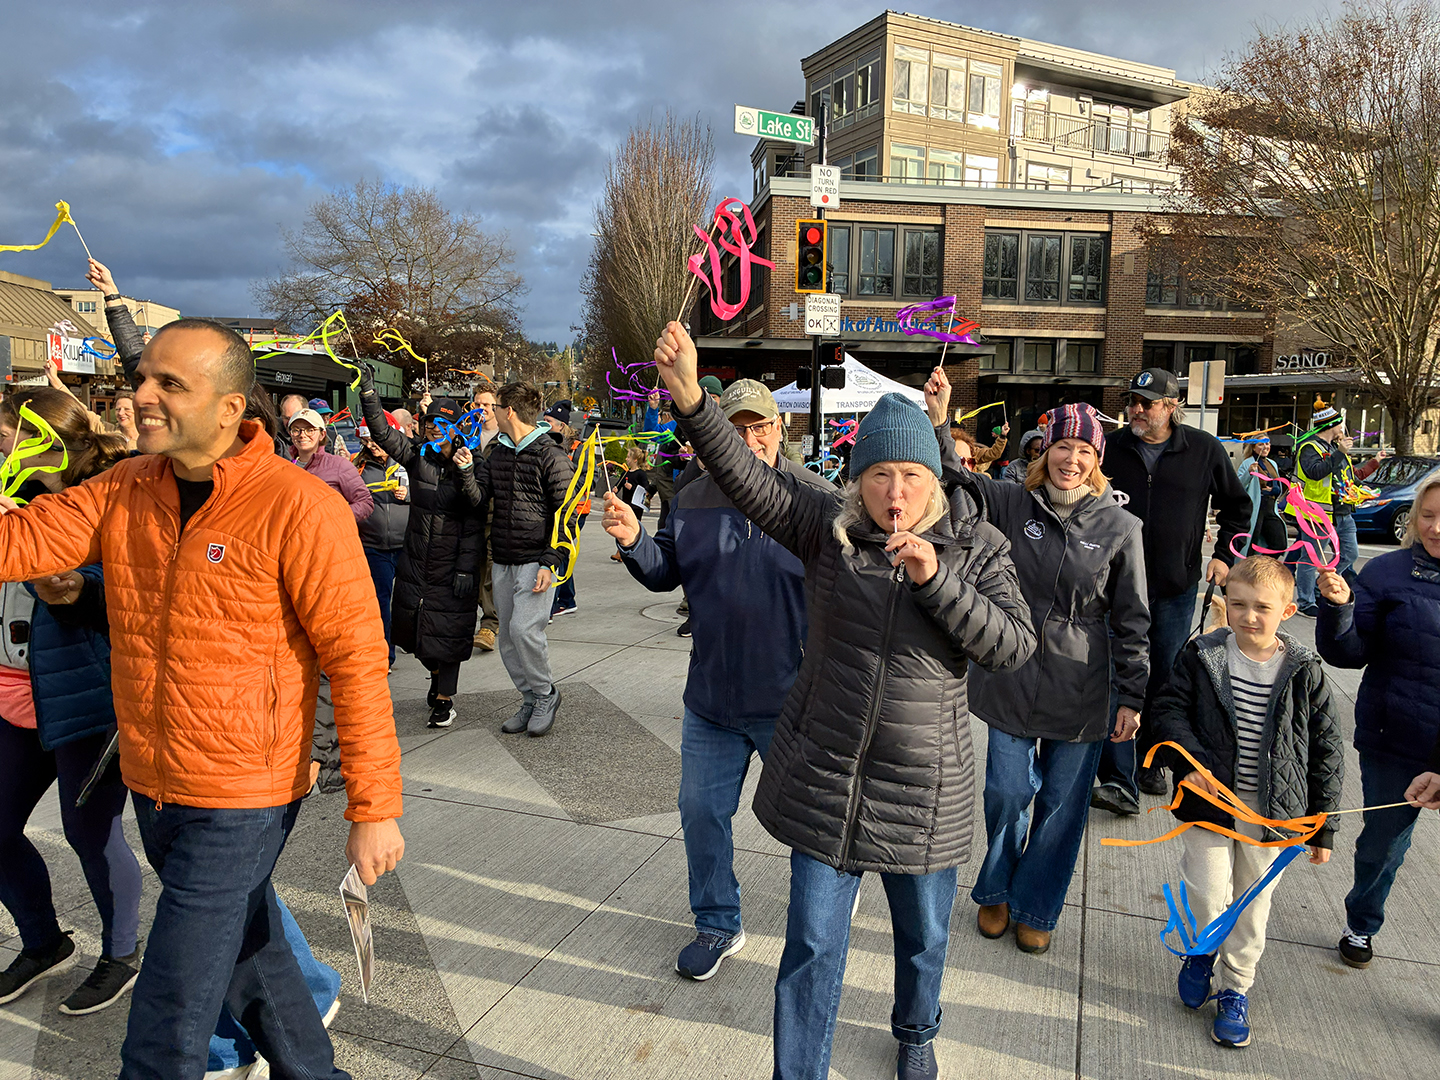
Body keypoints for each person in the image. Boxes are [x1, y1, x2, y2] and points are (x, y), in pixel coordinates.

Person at [0, 318, 403, 1080]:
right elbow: (21, 541)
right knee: (255, 957)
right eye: (140, 378)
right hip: (155, 780)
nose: (139, 397)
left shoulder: (299, 506)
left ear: (229, 406)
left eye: (168, 384)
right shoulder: (124, 488)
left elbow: (356, 660)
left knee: (169, 1016)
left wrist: (375, 806)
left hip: (245, 792)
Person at [653, 321, 1035, 1080]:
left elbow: (1012, 647)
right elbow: (749, 480)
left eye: (912, 476)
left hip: (923, 790)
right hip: (827, 781)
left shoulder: (978, 547)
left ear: (935, 479)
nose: (896, 491)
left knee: (923, 939)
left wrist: (937, 581)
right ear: (857, 479)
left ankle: (916, 1030)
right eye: (880, 474)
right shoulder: (828, 531)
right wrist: (693, 398)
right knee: (810, 947)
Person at [603, 378, 835, 982]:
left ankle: (825, 919)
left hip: (794, 700)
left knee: (815, 827)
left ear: (781, 430)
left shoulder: (815, 497)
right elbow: (666, 573)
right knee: (700, 812)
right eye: (737, 429)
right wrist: (633, 541)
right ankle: (716, 921)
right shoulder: (692, 496)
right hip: (711, 698)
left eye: (761, 426)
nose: (750, 439)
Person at [925, 375, 1150, 956]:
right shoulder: (1009, 501)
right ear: (1043, 449)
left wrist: (1132, 695)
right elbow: (955, 480)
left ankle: (1036, 905)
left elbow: (1133, 618)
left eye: (1083, 450)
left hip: (1083, 686)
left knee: (1060, 806)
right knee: (1004, 791)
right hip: (1011, 672)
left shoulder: (1121, 528)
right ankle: (997, 888)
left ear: (1096, 459)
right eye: (1061, 446)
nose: (1070, 459)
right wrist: (941, 419)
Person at [1150, 555, 1342, 1049]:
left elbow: (1326, 750)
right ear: (1225, 605)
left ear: (1289, 610)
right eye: (1238, 605)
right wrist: (1188, 761)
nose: (1248, 616)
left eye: (1262, 607)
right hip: (1210, 806)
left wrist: (1322, 828)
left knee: (1252, 907)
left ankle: (1235, 989)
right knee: (1209, 894)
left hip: (1274, 815)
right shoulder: (1204, 655)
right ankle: (1201, 952)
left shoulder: (1305, 670)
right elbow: (1169, 708)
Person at [0, 388, 143, 1017]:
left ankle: (120, 954)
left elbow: (131, 581)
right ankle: (43, 942)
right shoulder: (14, 499)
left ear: (42, 439)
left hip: (87, 695)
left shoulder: (105, 497)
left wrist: (72, 581)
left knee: (91, 833)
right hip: (12, 694)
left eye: (5, 434)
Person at [1092, 368, 1252, 814]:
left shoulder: (1203, 449)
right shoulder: (1112, 449)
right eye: (1133, 401)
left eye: (1147, 403)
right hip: (1113, 588)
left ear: (1171, 406)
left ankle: (1153, 761)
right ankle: (1116, 777)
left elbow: (1239, 507)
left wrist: (1224, 555)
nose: (1137, 410)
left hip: (1174, 587)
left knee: (1162, 676)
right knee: (1116, 676)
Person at [1315, 470, 1440, 969]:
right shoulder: (1386, 573)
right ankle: (1362, 922)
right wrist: (1338, 607)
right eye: (1427, 516)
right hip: (1395, 736)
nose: (1436, 528)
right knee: (1382, 844)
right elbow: (1348, 653)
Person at [356, 386, 484, 729]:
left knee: (449, 632)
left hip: (456, 561)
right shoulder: (418, 457)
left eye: (443, 425)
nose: (435, 431)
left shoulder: (474, 460)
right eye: (429, 424)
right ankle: (436, 673)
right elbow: (382, 433)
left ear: (459, 427)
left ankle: (445, 699)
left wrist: (466, 471)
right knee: (415, 633)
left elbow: (478, 507)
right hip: (417, 559)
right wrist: (369, 394)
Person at [471, 383, 576, 738]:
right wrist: (463, 468)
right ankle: (529, 697)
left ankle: (546, 694)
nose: (491, 413)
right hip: (503, 557)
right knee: (507, 639)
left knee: (523, 630)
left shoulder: (550, 455)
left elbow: (568, 514)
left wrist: (551, 561)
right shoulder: (495, 452)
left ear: (509, 411)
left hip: (536, 559)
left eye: (496, 407)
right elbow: (478, 496)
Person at [1291, 404, 1360, 616]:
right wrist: (1340, 453)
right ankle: (1306, 602)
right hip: (1317, 512)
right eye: (1341, 423)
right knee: (1310, 558)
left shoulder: (1334, 449)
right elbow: (1315, 472)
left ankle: (1322, 585)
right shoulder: (1309, 447)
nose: (1344, 427)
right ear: (1332, 425)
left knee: (1350, 554)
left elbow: (1348, 477)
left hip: (1342, 512)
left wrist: (1360, 488)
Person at [354, 432, 410, 669]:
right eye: (367, 442)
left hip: (407, 545)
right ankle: (384, 656)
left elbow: (431, 490)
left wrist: (409, 495)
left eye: (375, 440)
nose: (372, 446)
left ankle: (415, 646)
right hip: (374, 546)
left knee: (407, 603)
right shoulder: (357, 465)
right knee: (380, 603)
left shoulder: (408, 461)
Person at [288, 408, 374, 523]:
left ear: (322, 434)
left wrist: (333, 517)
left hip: (326, 537)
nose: (302, 435)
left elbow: (365, 503)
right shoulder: (282, 465)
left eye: (310, 430)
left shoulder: (339, 465)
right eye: (296, 430)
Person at [545, 401, 588, 620]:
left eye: (548, 421)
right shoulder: (548, 446)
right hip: (557, 508)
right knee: (563, 555)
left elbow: (587, 478)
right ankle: (567, 599)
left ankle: (552, 605)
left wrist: (565, 489)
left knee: (559, 552)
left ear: (561, 425)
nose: (544, 425)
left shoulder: (579, 448)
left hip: (576, 510)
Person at [470, 383, 501, 652]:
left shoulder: (504, 438)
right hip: (469, 513)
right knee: (476, 570)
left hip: (497, 514)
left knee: (491, 569)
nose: (482, 409)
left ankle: (489, 625)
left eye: (487, 404)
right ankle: (485, 613)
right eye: (478, 404)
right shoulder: (466, 434)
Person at [1235, 436, 1288, 557]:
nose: (1265, 447)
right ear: (1253, 447)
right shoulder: (1248, 463)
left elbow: (1277, 484)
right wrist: (1249, 472)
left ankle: (1262, 565)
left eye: (1268, 444)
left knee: (1280, 544)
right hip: (1255, 507)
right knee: (1251, 543)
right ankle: (1249, 569)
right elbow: (1239, 486)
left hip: (1270, 507)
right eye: (1261, 444)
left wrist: (1276, 490)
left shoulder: (1272, 463)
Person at [644, 390, 684, 530]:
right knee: (666, 526)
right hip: (671, 489)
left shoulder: (710, 425)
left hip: (692, 489)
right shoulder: (673, 427)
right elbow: (651, 433)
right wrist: (653, 408)